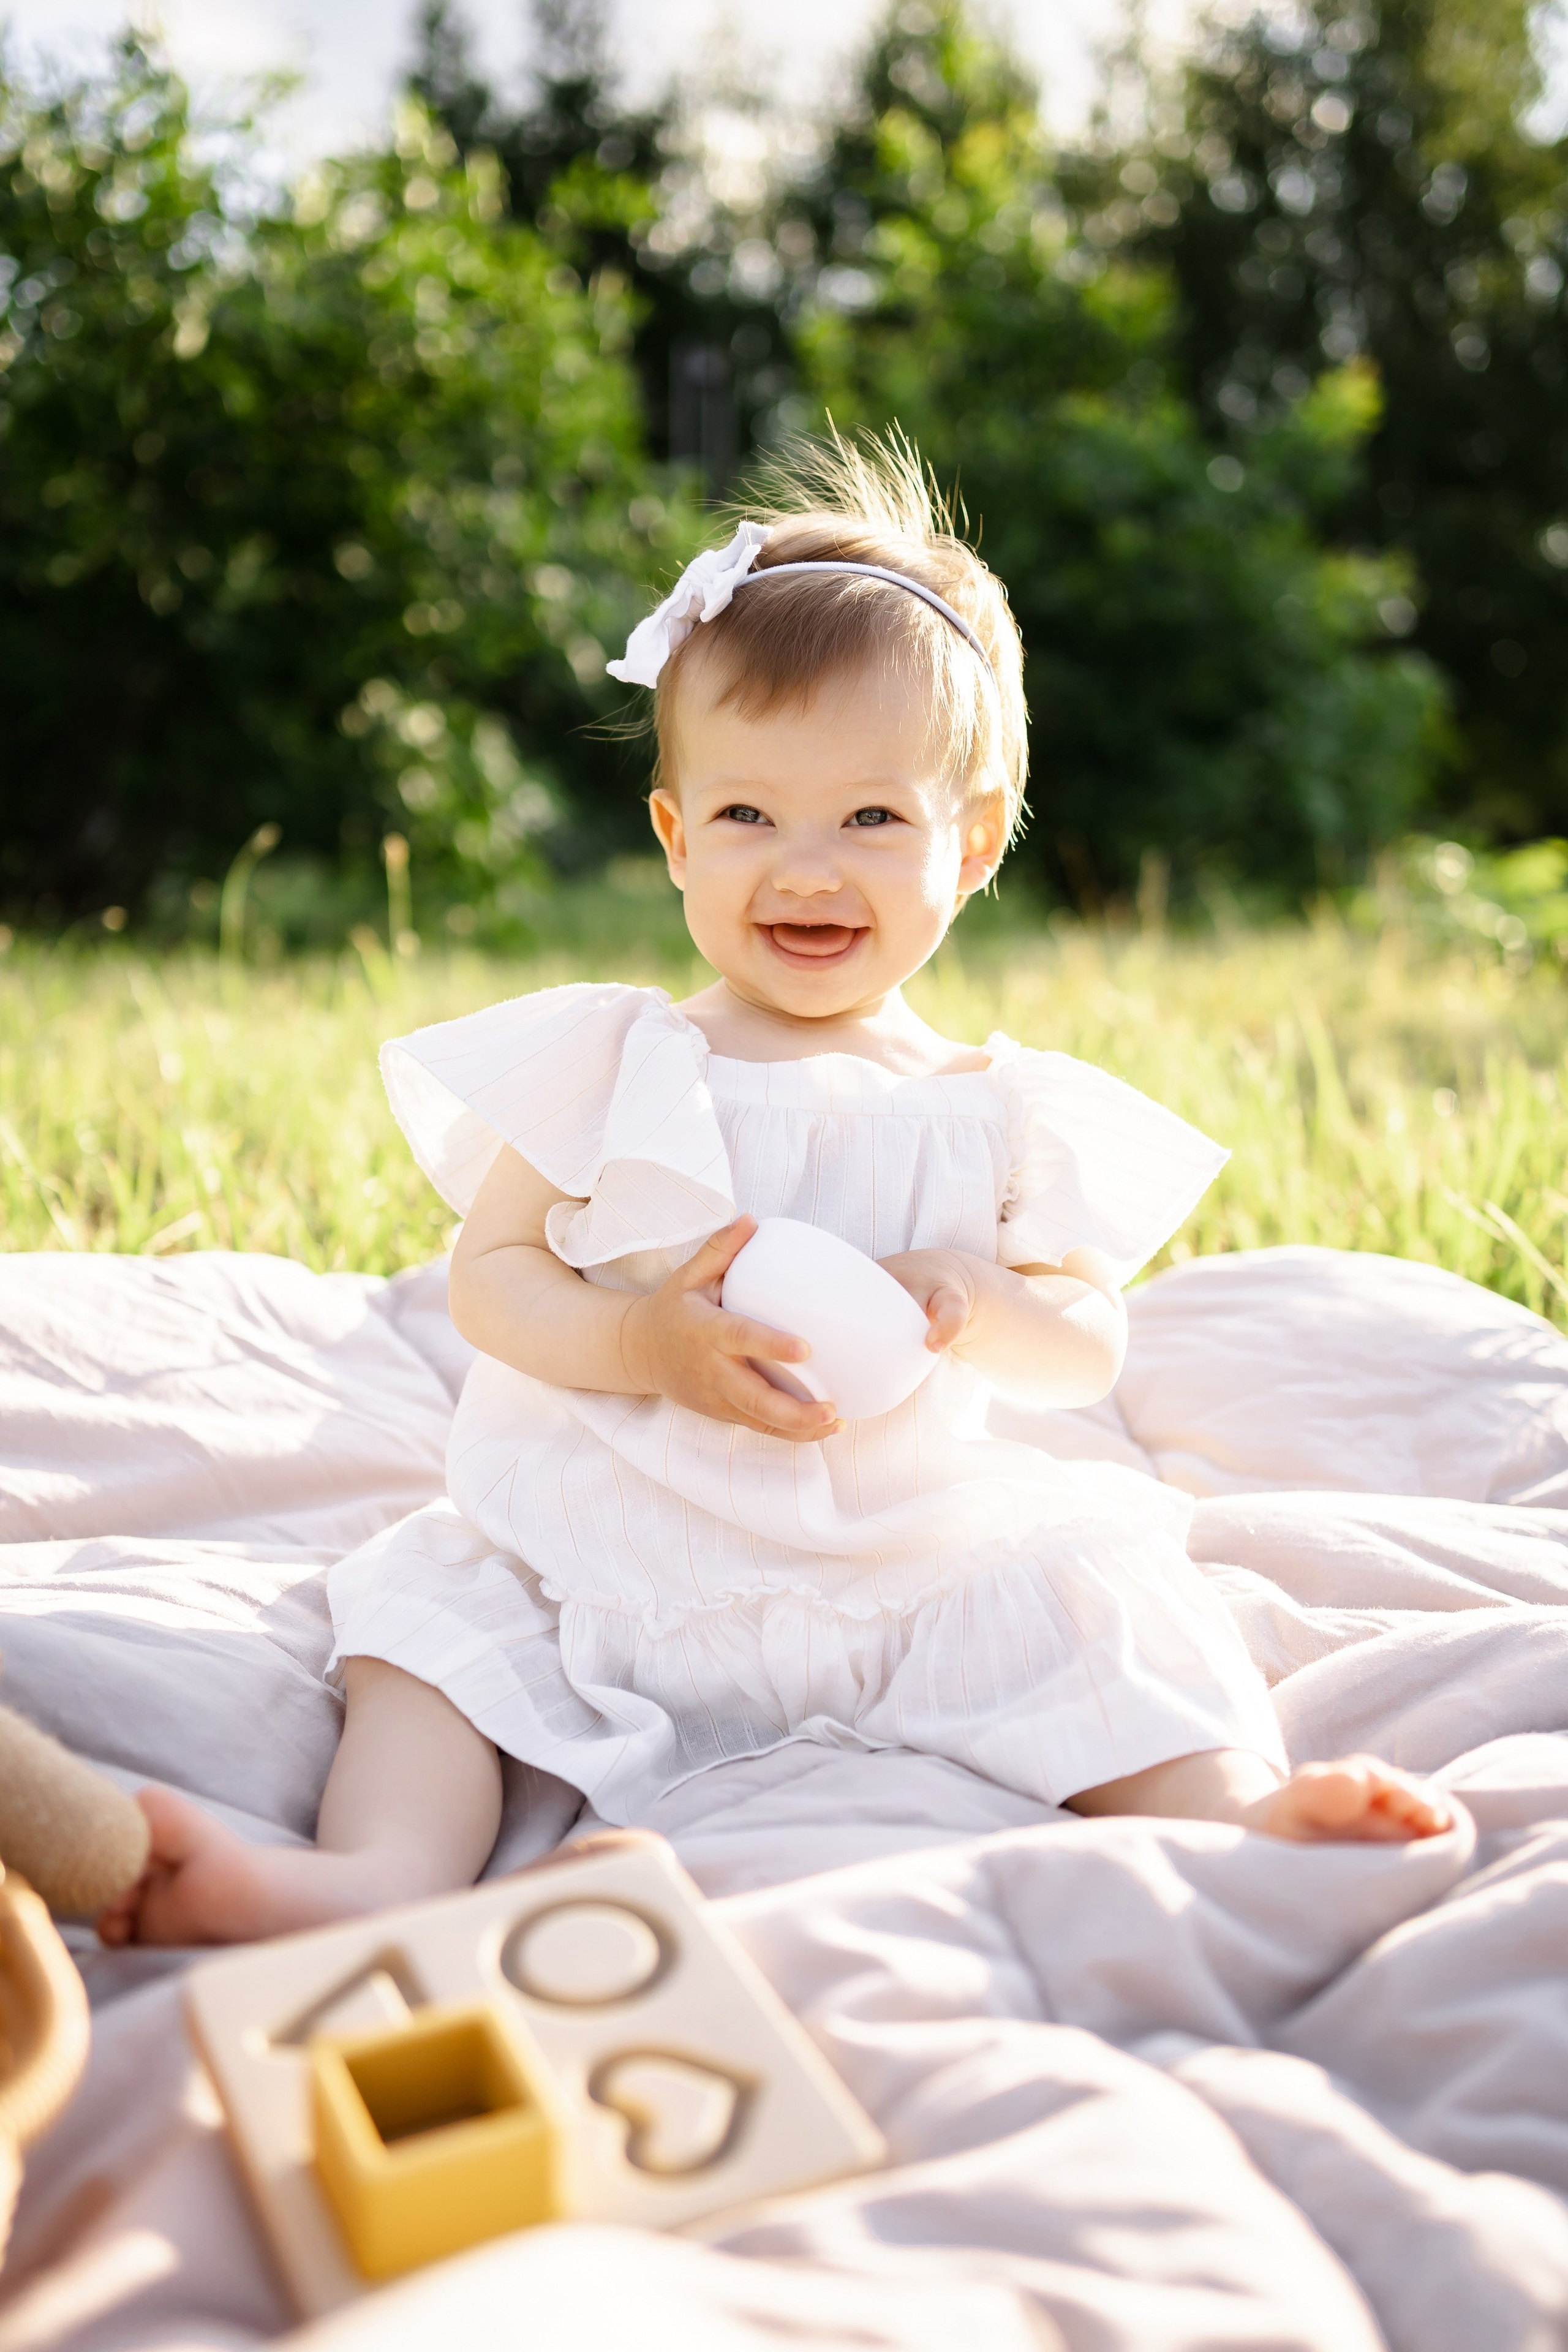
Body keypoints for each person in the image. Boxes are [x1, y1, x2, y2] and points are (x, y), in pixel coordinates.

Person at [101, 432, 1449, 1947]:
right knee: (431, 1620)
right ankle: (373, 1877)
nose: (805, 868)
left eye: (870, 819)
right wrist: (639, 1343)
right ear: (675, 838)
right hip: (612, 1545)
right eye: (747, 817)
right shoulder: (619, 1060)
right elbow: (494, 1275)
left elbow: (1086, 1344)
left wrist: (984, 1299)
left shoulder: (999, 1110)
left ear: (972, 843)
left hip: (899, 1556)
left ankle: (1235, 1811)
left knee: (1099, 1591)